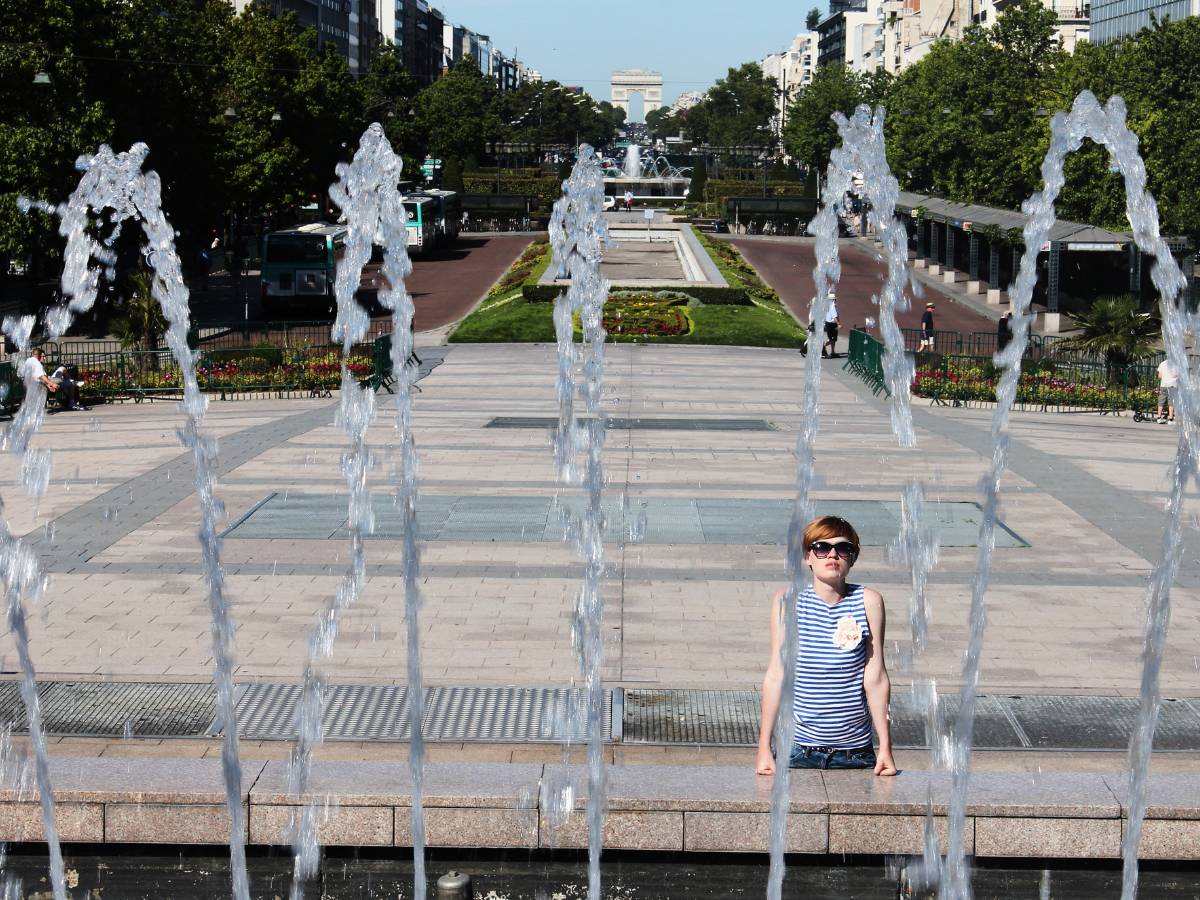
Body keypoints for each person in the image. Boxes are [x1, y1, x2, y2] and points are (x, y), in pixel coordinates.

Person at [755, 515, 896, 776]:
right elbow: (777, 673)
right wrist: (764, 747)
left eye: (843, 548)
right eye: (821, 547)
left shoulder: (868, 602)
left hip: (856, 752)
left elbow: (875, 677)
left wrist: (886, 747)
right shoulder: (788, 602)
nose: (832, 554)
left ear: (851, 559)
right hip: (798, 750)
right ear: (808, 557)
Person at [1156, 358, 1178, 424]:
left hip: (1163, 384)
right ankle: (1170, 419)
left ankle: (1159, 418)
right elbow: (1177, 374)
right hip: (1172, 385)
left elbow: (1159, 376)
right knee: (1171, 402)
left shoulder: (1162, 363)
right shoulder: (1176, 364)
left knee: (1161, 401)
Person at [822, 293, 840, 358]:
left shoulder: (830, 306)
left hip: (830, 324)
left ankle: (832, 352)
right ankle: (821, 347)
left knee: (834, 339)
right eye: (834, 299)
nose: (835, 300)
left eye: (835, 299)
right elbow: (835, 317)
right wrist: (839, 324)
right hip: (831, 324)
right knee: (831, 339)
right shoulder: (832, 306)